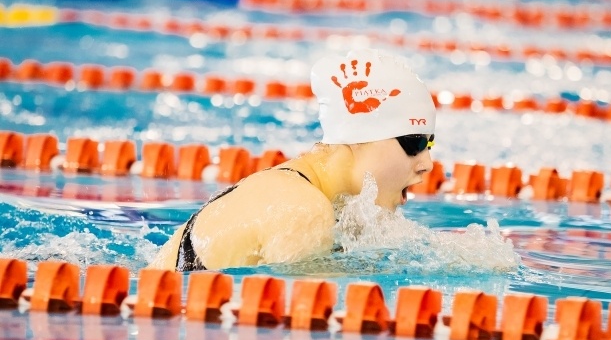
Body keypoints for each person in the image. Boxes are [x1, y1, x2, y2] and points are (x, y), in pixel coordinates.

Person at [148, 50, 436, 271]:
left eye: (430, 144)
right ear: (359, 137)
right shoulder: (303, 211)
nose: (428, 163)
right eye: (415, 143)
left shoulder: (301, 194)